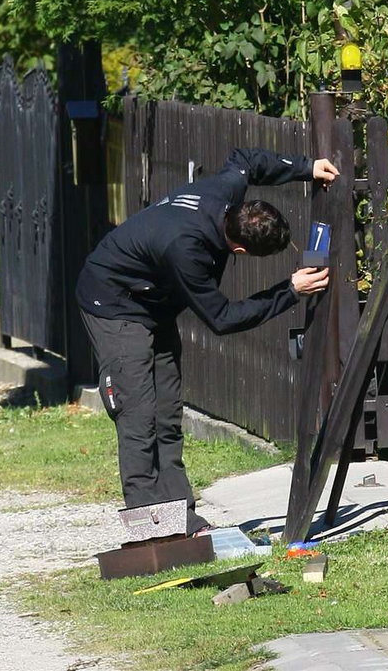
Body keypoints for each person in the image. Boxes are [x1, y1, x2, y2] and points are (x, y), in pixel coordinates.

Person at [76, 148, 339, 535]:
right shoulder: (187, 250)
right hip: (113, 303)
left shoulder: (225, 192)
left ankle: (180, 517)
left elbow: (245, 159)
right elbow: (222, 318)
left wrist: (306, 168)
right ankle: (150, 527)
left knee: (167, 409)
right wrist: (290, 291)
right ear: (240, 249)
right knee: (137, 411)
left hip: (154, 302)